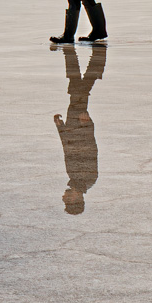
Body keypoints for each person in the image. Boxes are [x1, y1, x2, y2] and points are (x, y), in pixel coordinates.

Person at [54, 44, 104, 215]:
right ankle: (89, 59)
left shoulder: (74, 178)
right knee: (78, 89)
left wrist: (61, 128)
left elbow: (67, 149)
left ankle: (93, 62)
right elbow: (91, 149)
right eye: (67, 200)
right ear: (77, 199)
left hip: (72, 126)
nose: (63, 197)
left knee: (77, 88)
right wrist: (87, 125)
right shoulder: (88, 178)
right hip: (80, 124)